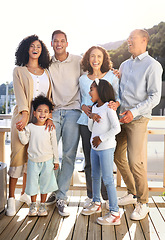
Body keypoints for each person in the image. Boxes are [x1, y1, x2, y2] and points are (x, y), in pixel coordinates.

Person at [114, 29, 163, 220]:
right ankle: (133, 192)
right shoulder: (124, 65)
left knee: (136, 161)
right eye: (128, 38)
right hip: (120, 117)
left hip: (138, 119)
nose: (128, 41)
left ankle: (143, 203)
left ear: (144, 40)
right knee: (117, 155)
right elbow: (120, 91)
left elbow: (155, 97)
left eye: (132, 38)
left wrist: (133, 112)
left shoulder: (153, 65)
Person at [6, 35, 54, 216]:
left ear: (42, 51)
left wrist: (48, 116)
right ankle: (11, 199)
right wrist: (25, 114)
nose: (35, 49)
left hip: (40, 120)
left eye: (39, 46)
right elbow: (19, 94)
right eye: (32, 46)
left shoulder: (47, 71)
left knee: (33, 159)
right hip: (22, 117)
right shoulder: (19, 70)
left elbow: (49, 98)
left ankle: (25, 194)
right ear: (26, 49)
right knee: (17, 156)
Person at [77, 46, 120, 209]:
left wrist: (116, 104)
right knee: (89, 162)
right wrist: (83, 106)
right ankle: (92, 197)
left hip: (105, 126)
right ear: (88, 59)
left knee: (106, 162)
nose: (95, 59)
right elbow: (80, 99)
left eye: (99, 56)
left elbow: (117, 97)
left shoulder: (112, 76)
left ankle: (108, 198)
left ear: (104, 59)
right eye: (92, 56)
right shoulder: (82, 79)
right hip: (86, 123)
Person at [45, 30, 83, 217]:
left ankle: (61, 196)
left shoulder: (78, 60)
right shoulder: (47, 63)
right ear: (51, 44)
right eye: (55, 41)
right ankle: (54, 189)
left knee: (68, 155)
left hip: (73, 112)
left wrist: (113, 72)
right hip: (53, 113)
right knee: (49, 155)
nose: (59, 44)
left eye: (62, 41)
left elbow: (93, 74)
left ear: (67, 43)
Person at [81, 79, 121, 226]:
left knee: (108, 180)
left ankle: (115, 213)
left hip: (106, 148)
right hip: (95, 149)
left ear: (101, 90)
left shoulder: (109, 108)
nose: (89, 92)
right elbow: (91, 129)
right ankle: (96, 202)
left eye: (92, 89)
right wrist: (91, 117)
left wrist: (101, 139)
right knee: (94, 176)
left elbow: (117, 128)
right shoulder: (94, 107)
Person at [17, 95, 59, 216]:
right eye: (39, 111)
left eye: (46, 111)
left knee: (45, 184)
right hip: (33, 161)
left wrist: (56, 160)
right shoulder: (30, 127)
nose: (42, 114)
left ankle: (42, 205)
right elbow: (24, 141)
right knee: (33, 183)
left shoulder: (50, 128)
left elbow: (54, 145)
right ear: (34, 113)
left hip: (47, 160)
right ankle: (33, 204)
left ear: (49, 114)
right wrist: (20, 131)